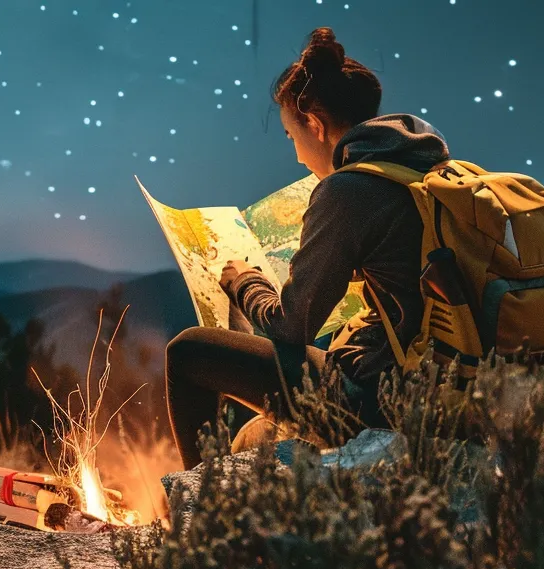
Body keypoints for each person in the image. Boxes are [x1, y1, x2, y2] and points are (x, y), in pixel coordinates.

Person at [165, 27, 446, 469]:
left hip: (381, 400)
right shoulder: (424, 170)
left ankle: (204, 508)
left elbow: (290, 327)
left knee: (188, 351)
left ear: (315, 125)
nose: (296, 154)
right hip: (439, 383)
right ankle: (229, 488)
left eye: (292, 136)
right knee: (248, 431)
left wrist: (246, 282)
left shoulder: (348, 190)